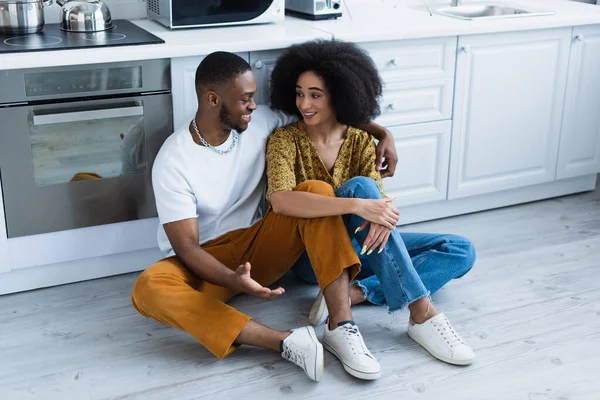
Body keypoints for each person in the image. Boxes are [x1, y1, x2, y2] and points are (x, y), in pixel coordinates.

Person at [130, 51, 399, 382]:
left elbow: (325, 109)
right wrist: (232, 279)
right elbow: (187, 249)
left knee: (315, 190)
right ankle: (285, 341)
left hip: (258, 247)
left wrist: (381, 131)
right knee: (148, 287)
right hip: (204, 260)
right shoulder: (174, 160)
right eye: (245, 100)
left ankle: (341, 325)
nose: (254, 106)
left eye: (253, 97)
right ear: (213, 99)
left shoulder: (258, 122)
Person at [266, 39, 477, 377]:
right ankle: (422, 312)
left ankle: (357, 292)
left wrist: (378, 212)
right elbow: (281, 200)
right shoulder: (284, 140)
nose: (304, 103)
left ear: (339, 94)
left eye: (315, 94)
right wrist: (360, 205)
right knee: (362, 190)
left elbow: (379, 207)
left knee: (462, 250)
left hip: (363, 248)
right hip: (313, 258)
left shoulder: (361, 140)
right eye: (299, 92)